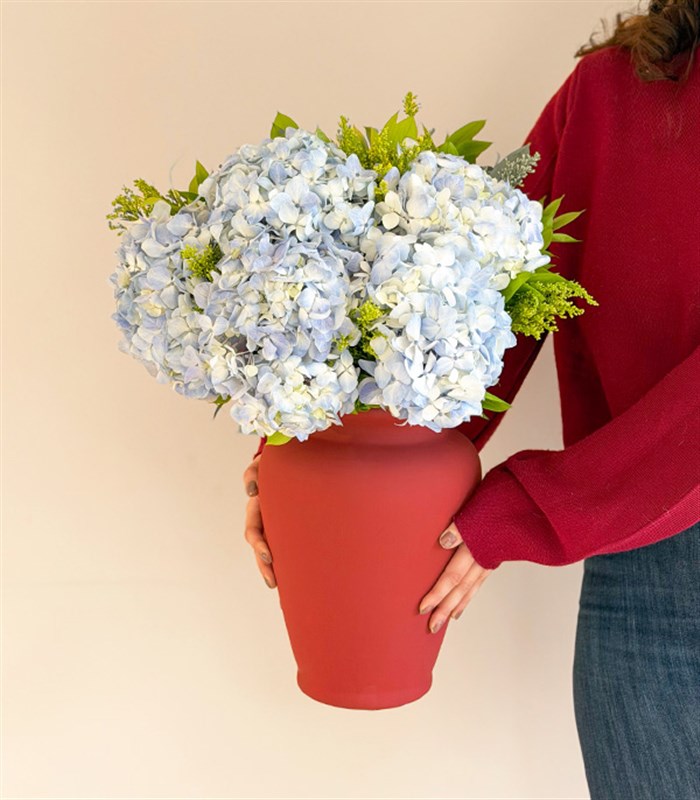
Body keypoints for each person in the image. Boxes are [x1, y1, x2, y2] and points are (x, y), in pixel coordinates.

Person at [242, 2, 700, 796]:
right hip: (644, 573)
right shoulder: (609, 95)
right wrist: (323, 445)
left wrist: (529, 507)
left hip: (624, 532)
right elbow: (483, 306)